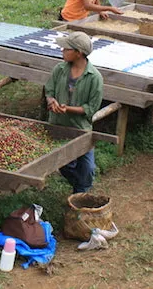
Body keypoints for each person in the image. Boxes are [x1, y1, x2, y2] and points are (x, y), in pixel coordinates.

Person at [44, 31, 103, 193]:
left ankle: (81, 192)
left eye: (66, 49)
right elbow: (49, 91)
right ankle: (81, 190)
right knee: (63, 165)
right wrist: (52, 102)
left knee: (88, 168)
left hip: (80, 129)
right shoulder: (59, 69)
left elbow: (91, 108)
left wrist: (67, 109)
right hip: (58, 125)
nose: (62, 51)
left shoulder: (94, 77)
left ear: (78, 53)